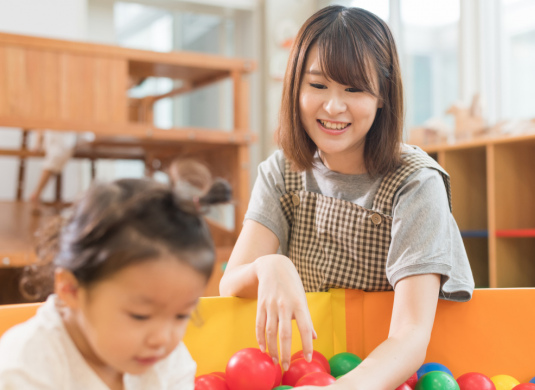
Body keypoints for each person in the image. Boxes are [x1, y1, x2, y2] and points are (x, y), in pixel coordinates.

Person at [219, 5, 474, 390]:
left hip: (392, 375)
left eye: (353, 89)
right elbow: (230, 286)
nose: (333, 107)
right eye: (318, 85)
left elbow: (410, 336)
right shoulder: (281, 171)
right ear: (296, 88)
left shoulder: (416, 183)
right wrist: (269, 266)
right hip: (309, 366)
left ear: (382, 95)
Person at [0, 166, 231, 389]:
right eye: (140, 316)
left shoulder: (165, 358)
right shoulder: (25, 369)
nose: (162, 338)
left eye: (181, 316)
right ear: (71, 290)